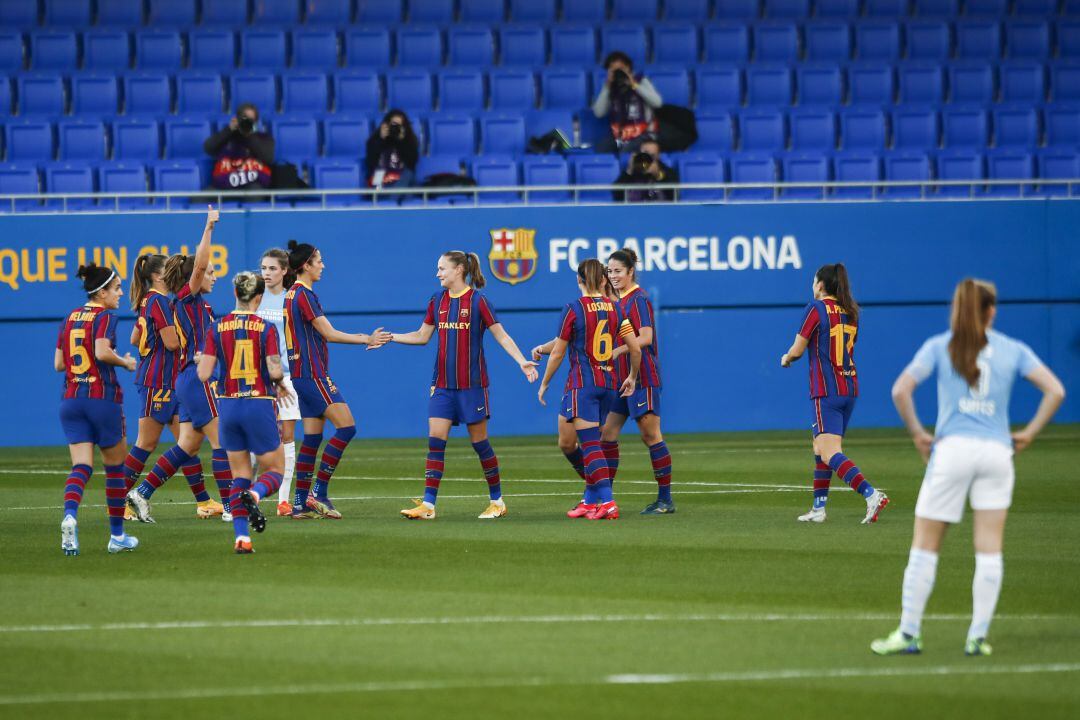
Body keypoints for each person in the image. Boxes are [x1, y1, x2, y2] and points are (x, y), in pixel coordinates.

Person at [872, 279, 1065, 657]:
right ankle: (977, 637)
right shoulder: (1013, 349)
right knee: (989, 549)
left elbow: (900, 390)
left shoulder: (940, 346)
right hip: (997, 454)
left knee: (925, 548)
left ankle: (909, 633)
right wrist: (1028, 433)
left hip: (952, 452)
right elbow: (1056, 390)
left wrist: (917, 433)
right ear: (991, 311)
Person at [391, 252, 539, 521]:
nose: (437, 274)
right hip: (442, 386)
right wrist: (392, 337)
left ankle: (497, 501)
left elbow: (501, 336)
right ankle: (428, 506)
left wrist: (522, 362)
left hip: (472, 387)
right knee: (435, 442)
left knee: (480, 444)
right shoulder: (437, 301)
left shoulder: (479, 302)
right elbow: (422, 336)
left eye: (441, 268)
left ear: (459, 269)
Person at [127, 207, 232, 524]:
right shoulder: (185, 298)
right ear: (193, 279)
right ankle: (230, 507)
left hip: (184, 379)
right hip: (193, 378)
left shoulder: (199, 304)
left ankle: (141, 493)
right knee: (221, 441)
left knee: (188, 443)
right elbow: (199, 263)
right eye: (209, 272)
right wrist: (209, 228)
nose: (213, 275)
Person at [283, 240, 391, 519]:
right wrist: (366, 338)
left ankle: (299, 504)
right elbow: (329, 333)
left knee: (312, 438)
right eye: (318, 261)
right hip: (313, 374)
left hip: (300, 375)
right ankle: (317, 492)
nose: (323, 265)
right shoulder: (304, 295)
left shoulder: (291, 295)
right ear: (305, 265)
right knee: (346, 428)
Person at [780, 263, 888, 524]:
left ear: (820, 285)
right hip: (849, 387)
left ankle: (871, 494)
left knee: (830, 451)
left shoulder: (815, 309)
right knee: (819, 446)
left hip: (826, 389)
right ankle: (819, 508)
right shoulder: (851, 312)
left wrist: (786, 358)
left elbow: (797, 349)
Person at [537, 259, 642, 521]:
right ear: (604, 280)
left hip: (582, 384)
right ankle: (590, 500)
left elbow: (559, 352)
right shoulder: (616, 308)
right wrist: (631, 376)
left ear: (579, 280)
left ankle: (606, 502)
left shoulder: (573, 309)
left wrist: (545, 382)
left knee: (591, 444)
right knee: (572, 440)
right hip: (607, 384)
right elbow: (635, 348)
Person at [199, 271, 294, 554]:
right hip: (258, 402)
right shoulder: (265, 328)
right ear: (259, 296)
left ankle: (242, 537)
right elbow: (275, 369)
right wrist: (278, 383)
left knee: (239, 473)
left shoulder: (216, 327)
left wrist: (215, 370)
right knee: (275, 470)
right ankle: (255, 494)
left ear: (235, 294)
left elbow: (204, 374)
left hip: (228, 406)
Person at [56, 263, 139, 555]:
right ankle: (117, 536)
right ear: (101, 292)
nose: (120, 294)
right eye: (116, 288)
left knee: (81, 467)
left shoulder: (69, 318)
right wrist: (125, 362)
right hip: (101, 398)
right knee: (115, 468)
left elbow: (59, 364)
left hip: (71, 399)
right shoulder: (104, 316)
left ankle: (69, 516)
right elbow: (103, 351)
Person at [258, 248, 302, 517]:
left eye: (273, 268)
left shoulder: (292, 299)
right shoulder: (255, 300)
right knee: (256, 436)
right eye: (264, 268)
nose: (267, 273)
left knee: (287, 436)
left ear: (285, 271)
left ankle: (283, 500)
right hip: (259, 378)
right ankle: (248, 493)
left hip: (287, 377)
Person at [592, 51, 663, 154]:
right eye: (613, 69)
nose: (618, 71)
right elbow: (598, 113)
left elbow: (658, 103)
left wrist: (634, 85)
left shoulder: (641, 81)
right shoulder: (611, 88)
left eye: (621, 68)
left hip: (643, 134)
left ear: (628, 68)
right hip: (620, 136)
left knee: (626, 152)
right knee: (600, 149)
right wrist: (607, 87)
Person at [204, 103, 275, 191]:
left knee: (255, 192)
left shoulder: (263, 137)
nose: (247, 122)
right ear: (238, 119)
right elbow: (208, 148)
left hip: (251, 182)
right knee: (201, 198)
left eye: (251, 120)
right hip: (225, 181)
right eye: (245, 119)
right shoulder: (228, 135)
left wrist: (249, 135)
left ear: (256, 122)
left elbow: (268, 158)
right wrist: (229, 129)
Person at [612, 137, 679, 203]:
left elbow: (674, 196)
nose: (648, 159)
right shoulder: (631, 170)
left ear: (658, 156)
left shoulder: (665, 170)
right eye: (646, 155)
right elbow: (617, 195)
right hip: (634, 210)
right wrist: (629, 171)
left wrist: (658, 175)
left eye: (652, 156)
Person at [365, 109, 419, 189]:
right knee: (377, 173)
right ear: (386, 125)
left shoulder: (409, 141)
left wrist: (402, 141)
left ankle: (394, 196)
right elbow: (371, 162)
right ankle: (388, 196)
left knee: (408, 174)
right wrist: (381, 139)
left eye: (399, 126)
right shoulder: (375, 140)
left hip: (402, 180)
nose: (395, 128)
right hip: (381, 178)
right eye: (393, 125)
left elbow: (411, 164)